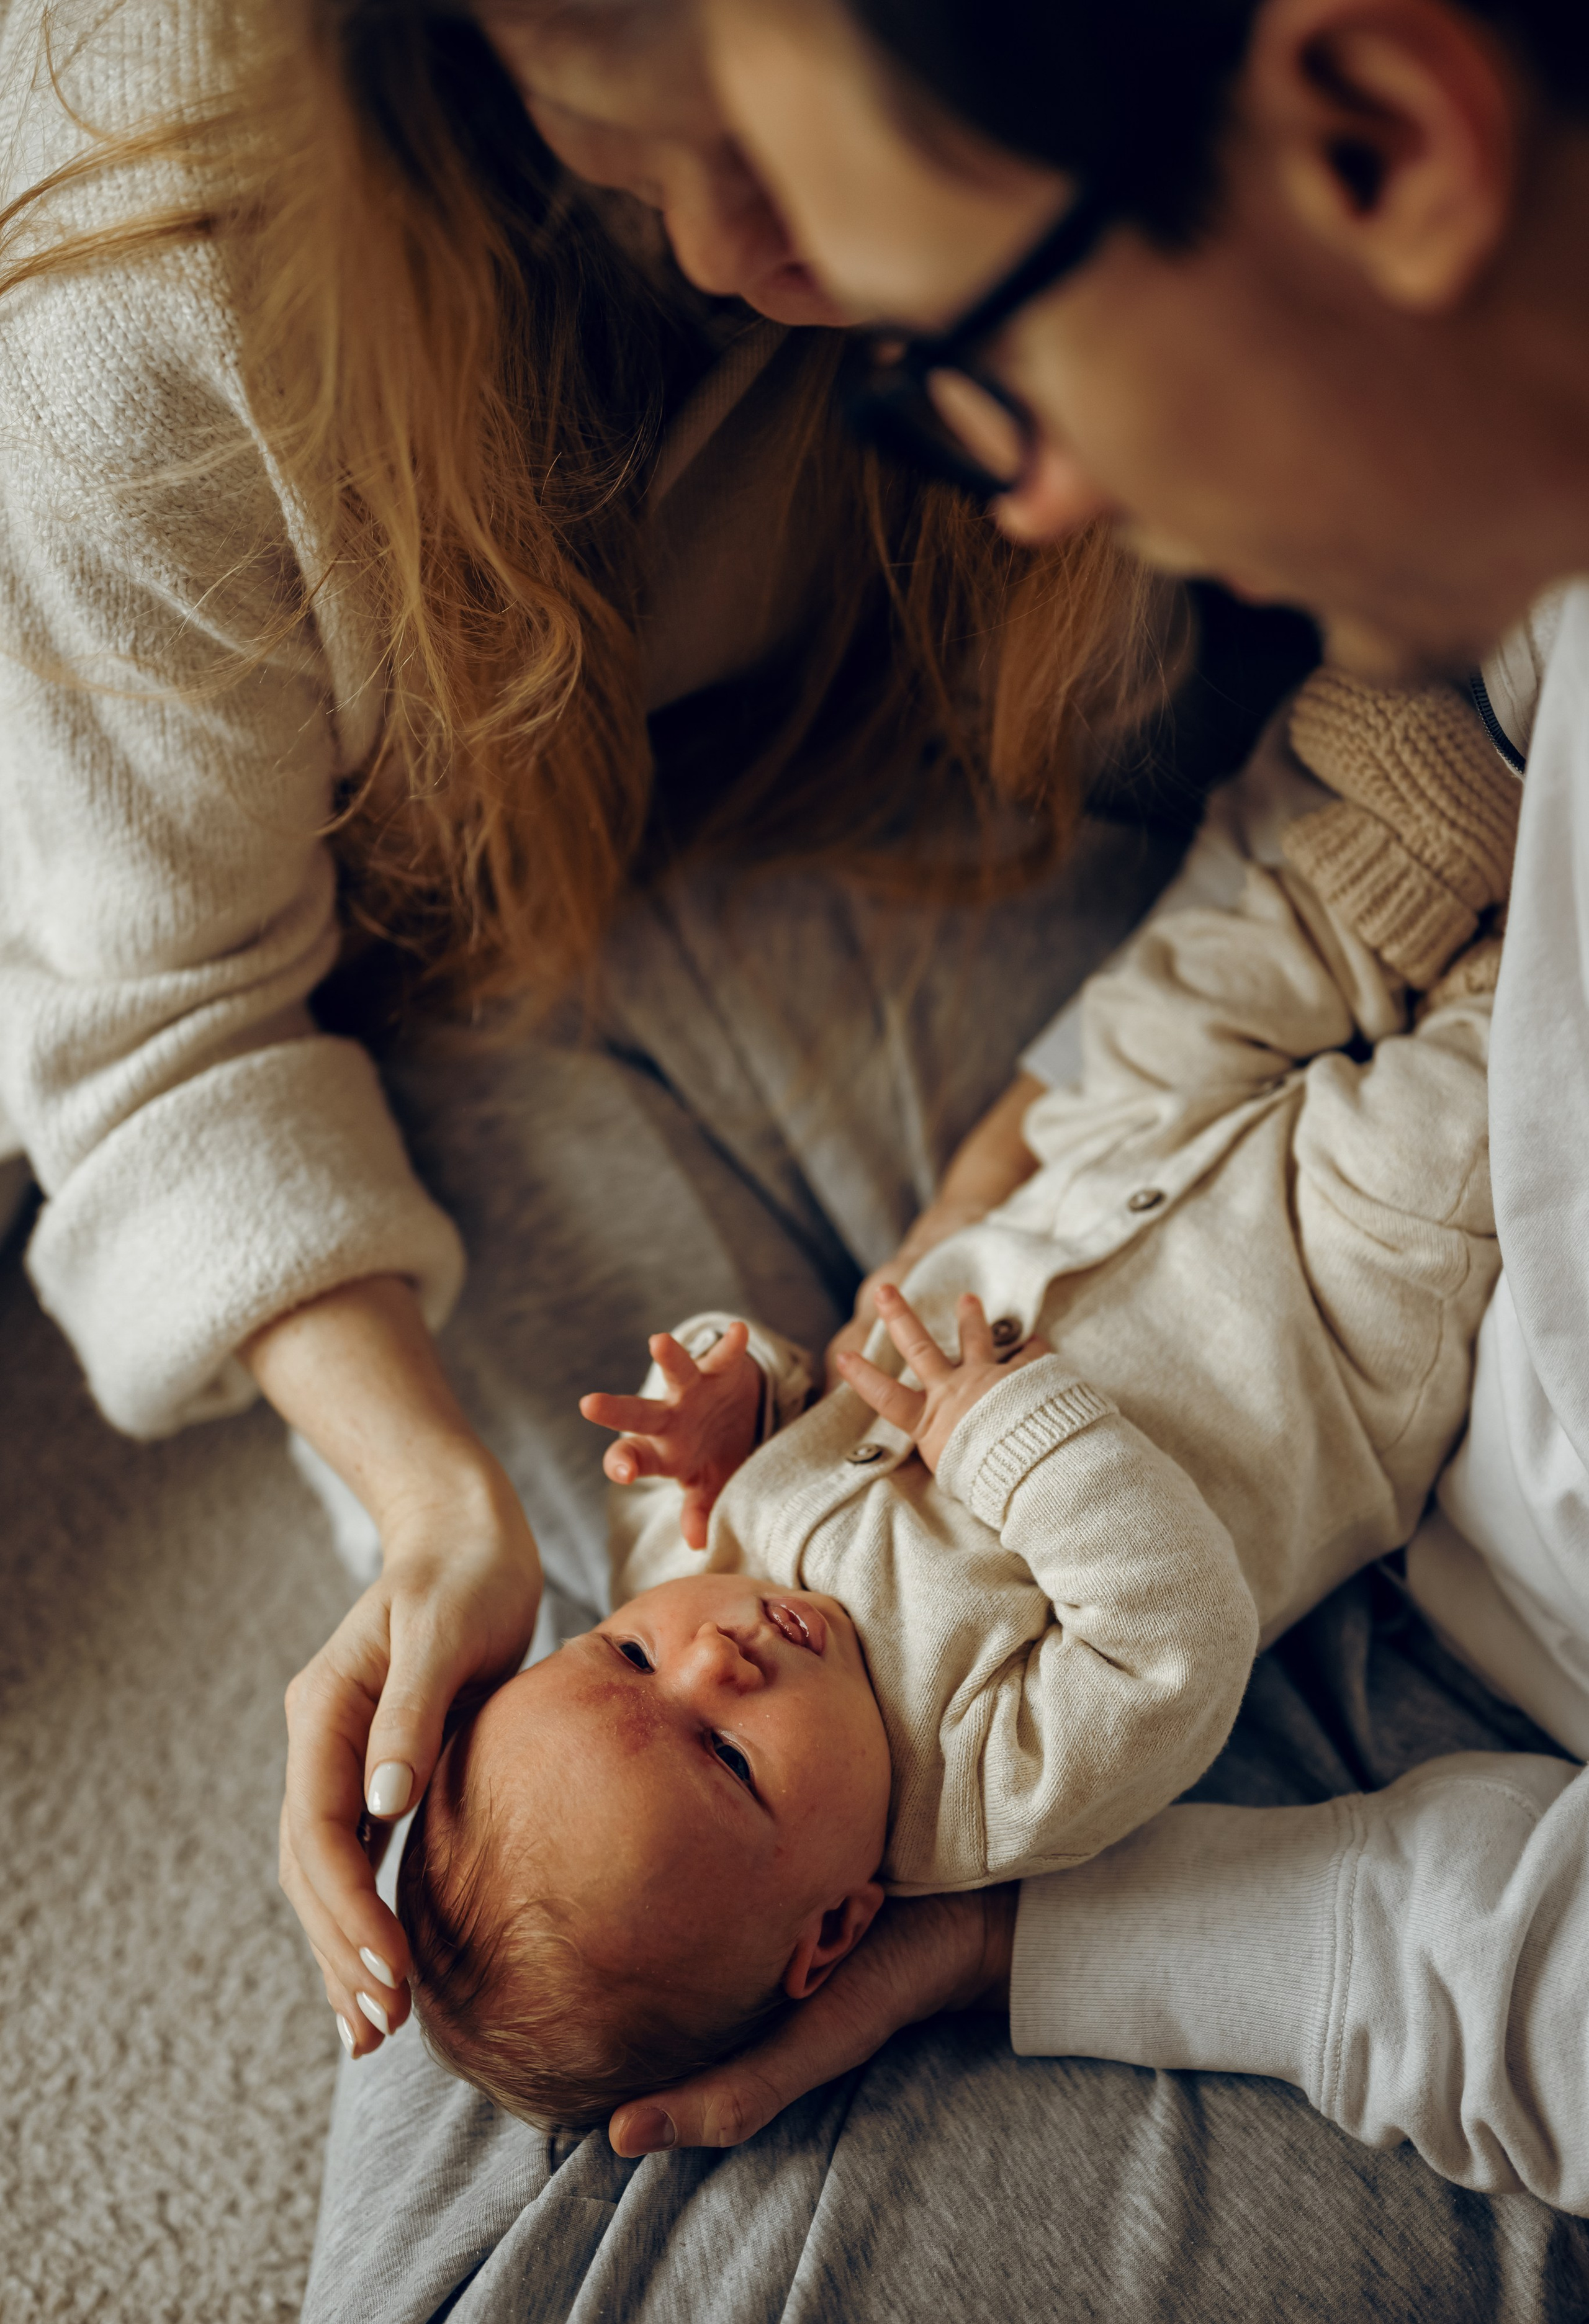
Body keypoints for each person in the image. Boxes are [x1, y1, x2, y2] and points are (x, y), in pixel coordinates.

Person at [0, 0, 1182, 2070]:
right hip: (379, 931)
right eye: (640, 133)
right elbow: (165, 1023)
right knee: (550, 1960)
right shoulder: (147, 293)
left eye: (798, 138)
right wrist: (436, 1496)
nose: (746, 249)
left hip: (826, 814)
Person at [608, 0, 1589, 2211]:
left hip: (1385, 1560)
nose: (1026, 490)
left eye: (978, 342)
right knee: (572, 1984)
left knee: (545, 2284)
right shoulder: (936, 1757)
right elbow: (1104, 1610)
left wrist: (1023, 1946)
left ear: (1381, 137)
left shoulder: (824, 1673)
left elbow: (1103, 1604)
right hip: (1179, 1239)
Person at [394, 651, 1511, 2127]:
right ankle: (1506, 991)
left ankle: (1382, 870)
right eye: (729, 1760)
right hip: (1316, 1320)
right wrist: (1001, 1440)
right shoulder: (984, 1786)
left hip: (1082, 1193)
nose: (711, 1659)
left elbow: (817, 1395)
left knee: (1159, 1027)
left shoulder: (706, 1566)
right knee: (1455, 1146)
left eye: (621, 1655)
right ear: (839, 1924)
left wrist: (742, 1405)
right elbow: (1175, 1634)